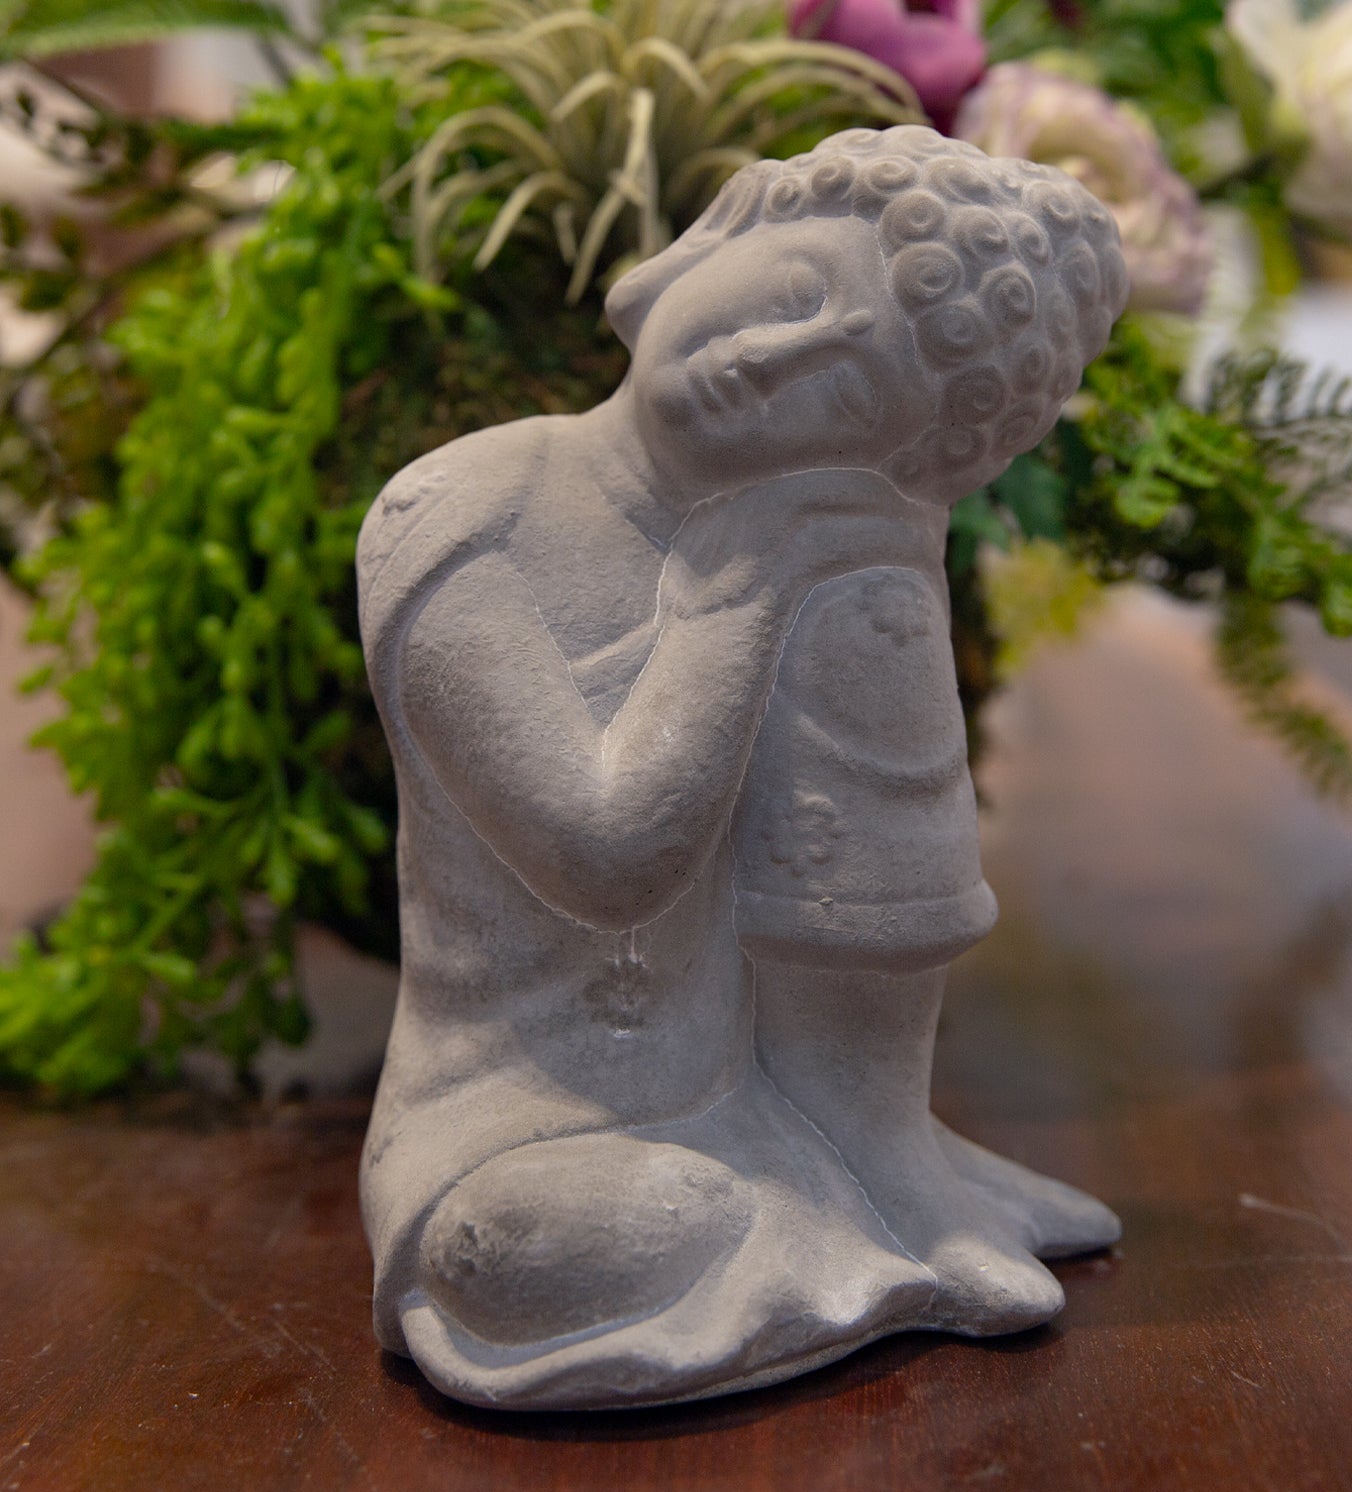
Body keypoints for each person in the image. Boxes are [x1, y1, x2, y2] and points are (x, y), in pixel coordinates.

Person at [356, 125, 1128, 1409]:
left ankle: (878, 1148)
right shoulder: (457, 511)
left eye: (848, 394)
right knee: (508, 1251)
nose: (768, 360)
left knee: (869, 598)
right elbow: (606, 857)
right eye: (795, 292)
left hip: (764, 1069)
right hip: (523, 1120)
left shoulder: (812, 530)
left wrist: (864, 561)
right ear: (716, 235)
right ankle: (842, 1214)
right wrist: (734, 596)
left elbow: (863, 813)